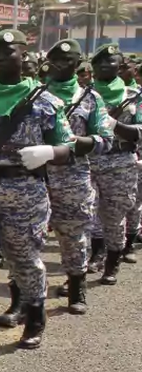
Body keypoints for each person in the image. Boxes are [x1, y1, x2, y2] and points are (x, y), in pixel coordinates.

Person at [0, 29, 74, 354]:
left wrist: (49, 152)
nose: (2, 58)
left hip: (25, 190)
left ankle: (35, 315)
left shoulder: (45, 100)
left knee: (23, 259)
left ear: (25, 54)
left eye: (10, 52)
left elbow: (69, 146)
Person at [42, 39, 118, 316]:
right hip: (35, 178)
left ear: (78, 65)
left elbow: (105, 140)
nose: (62, 66)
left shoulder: (90, 98)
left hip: (73, 177)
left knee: (74, 237)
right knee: (24, 242)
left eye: (68, 62)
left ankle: (76, 288)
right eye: (57, 61)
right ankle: (22, 300)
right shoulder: (35, 95)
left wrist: (77, 143)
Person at [83, 42, 141, 286]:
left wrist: (116, 125)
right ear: (93, 68)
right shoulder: (83, 95)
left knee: (114, 215)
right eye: (99, 62)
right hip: (89, 160)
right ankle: (96, 254)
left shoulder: (134, 96)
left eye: (111, 61)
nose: (105, 65)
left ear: (121, 66)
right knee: (88, 214)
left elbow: (140, 132)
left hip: (120, 162)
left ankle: (112, 261)